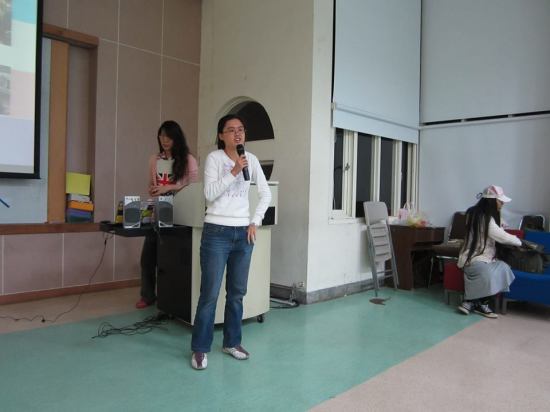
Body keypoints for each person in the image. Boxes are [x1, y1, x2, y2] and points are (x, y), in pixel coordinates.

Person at [190, 114, 271, 370]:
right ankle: (200, 348)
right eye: (231, 129)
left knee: (237, 294)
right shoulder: (214, 159)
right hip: (216, 232)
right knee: (209, 294)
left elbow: (265, 193)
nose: (238, 133)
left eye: (241, 129)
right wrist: (234, 170)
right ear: (221, 135)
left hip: (243, 235)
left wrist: (255, 221)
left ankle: (232, 342)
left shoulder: (252, 159)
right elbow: (209, 194)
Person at [135, 120, 199, 309]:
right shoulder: (154, 159)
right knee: (147, 259)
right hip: (158, 213)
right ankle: (147, 295)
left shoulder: (188, 160)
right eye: (162, 136)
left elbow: (194, 188)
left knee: (172, 260)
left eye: (169, 136)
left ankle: (171, 297)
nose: (165, 140)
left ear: (176, 138)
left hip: (181, 216)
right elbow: (151, 184)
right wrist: (153, 190)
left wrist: (169, 187)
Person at [457, 185, 522, 318]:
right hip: (474, 258)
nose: (502, 204)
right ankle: (474, 302)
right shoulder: (482, 218)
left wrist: (501, 223)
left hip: (486, 258)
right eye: (500, 201)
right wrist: (519, 241)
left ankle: (474, 302)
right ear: (492, 201)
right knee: (485, 272)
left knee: (504, 268)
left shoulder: (479, 214)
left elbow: (497, 226)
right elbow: (500, 235)